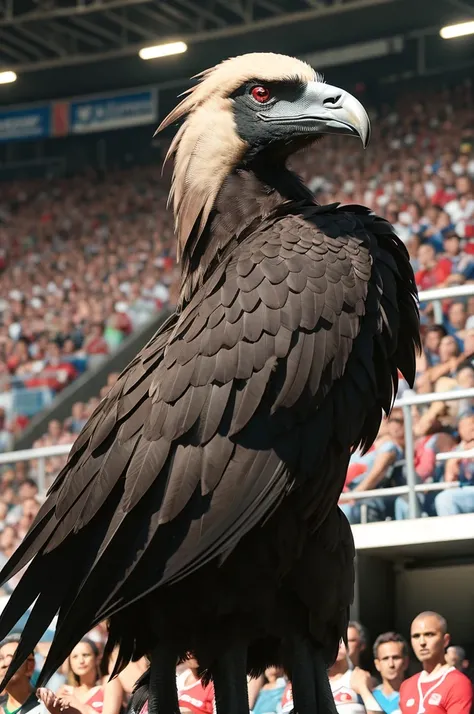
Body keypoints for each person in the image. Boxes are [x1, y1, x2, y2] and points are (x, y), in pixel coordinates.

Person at [399, 611, 473, 713]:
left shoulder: (457, 683)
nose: (422, 642)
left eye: (429, 634)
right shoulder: (406, 686)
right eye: (416, 636)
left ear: (445, 640)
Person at [0, 635, 45, 714]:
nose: (4, 664)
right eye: (0, 658)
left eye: (11, 657)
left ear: (30, 667)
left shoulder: (46, 707)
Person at [373, 632, 409, 713]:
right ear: (377, 664)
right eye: (385, 658)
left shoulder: (416, 694)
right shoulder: (370, 696)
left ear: (405, 662)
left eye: (396, 658)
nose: (391, 664)